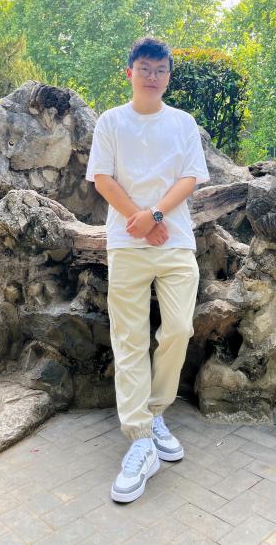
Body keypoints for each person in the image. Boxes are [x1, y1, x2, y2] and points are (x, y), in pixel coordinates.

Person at [85, 36, 210, 503]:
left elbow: (190, 177)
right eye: (144, 68)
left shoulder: (182, 123)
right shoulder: (111, 121)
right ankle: (140, 438)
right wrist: (138, 221)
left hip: (175, 242)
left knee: (178, 328)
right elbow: (102, 178)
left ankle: (156, 411)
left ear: (168, 76)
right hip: (126, 244)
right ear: (130, 72)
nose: (152, 76)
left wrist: (154, 216)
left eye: (160, 69)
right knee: (130, 340)